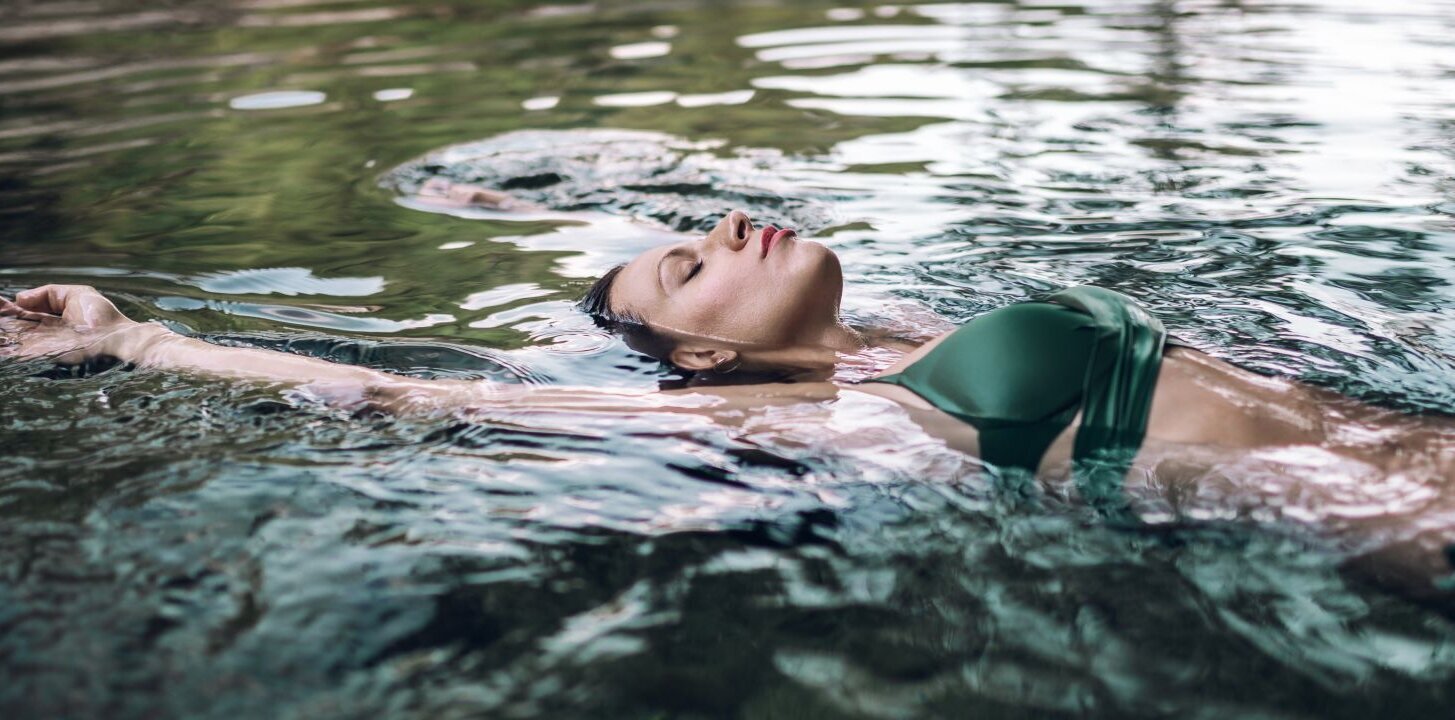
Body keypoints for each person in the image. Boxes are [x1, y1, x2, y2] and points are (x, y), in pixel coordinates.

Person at [3, 184, 1454, 608]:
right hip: (1404, 522)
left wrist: (499, 197)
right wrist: (140, 347)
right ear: (699, 360)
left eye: (697, 230)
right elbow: (393, 395)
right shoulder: (778, 417)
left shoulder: (878, 344)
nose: (722, 231)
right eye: (685, 271)